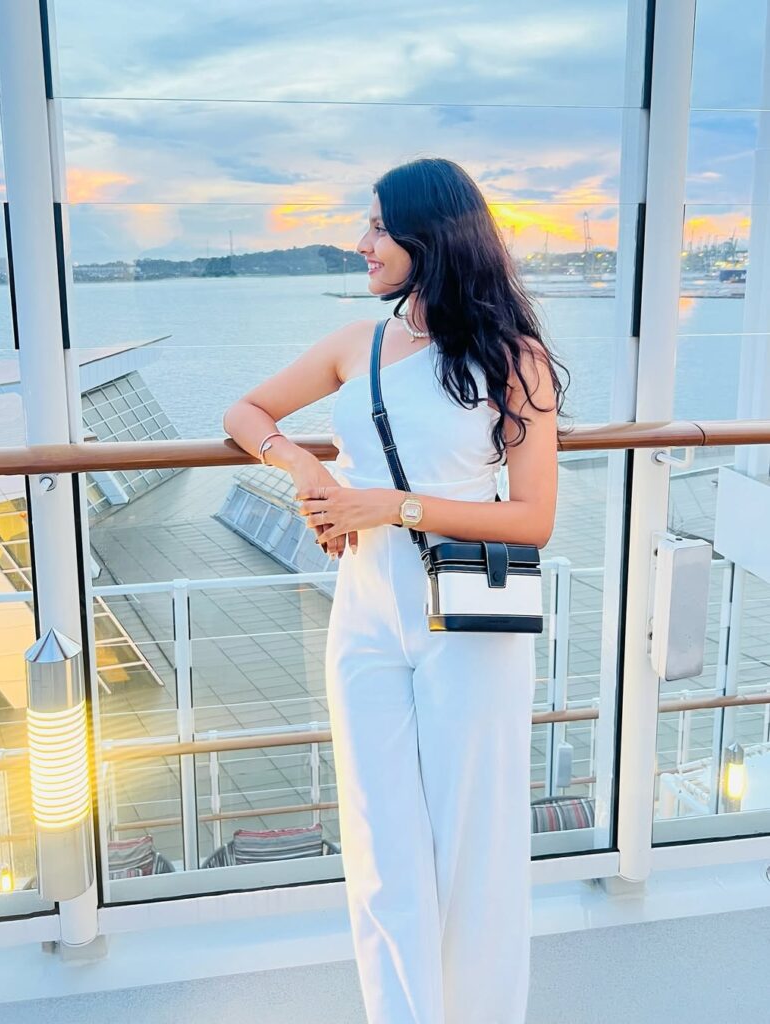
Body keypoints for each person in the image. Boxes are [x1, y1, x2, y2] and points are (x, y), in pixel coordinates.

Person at [222, 156, 569, 1023]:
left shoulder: (511, 356)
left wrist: (391, 503)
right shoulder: (358, 343)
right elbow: (245, 414)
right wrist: (305, 471)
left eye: (378, 227)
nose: (362, 242)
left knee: (472, 842)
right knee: (381, 846)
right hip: (366, 607)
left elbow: (533, 518)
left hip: (467, 615)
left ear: (431, 235)